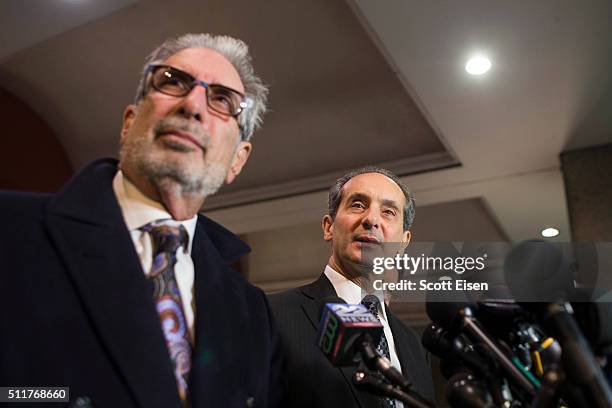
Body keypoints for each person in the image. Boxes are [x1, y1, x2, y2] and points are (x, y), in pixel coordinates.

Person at [0, 33, 281, 408]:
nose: (193, 105)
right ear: (129, 122)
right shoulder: (10, 231)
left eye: (222, 100)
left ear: (237, 160)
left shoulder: (252, 310)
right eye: (172, 81)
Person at [268, 166, 434, 407]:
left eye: (388, 212)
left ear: (403, 243)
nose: (371, 220)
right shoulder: (271, 313)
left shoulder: (416, 346)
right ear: (329, 227)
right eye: (357, 205)